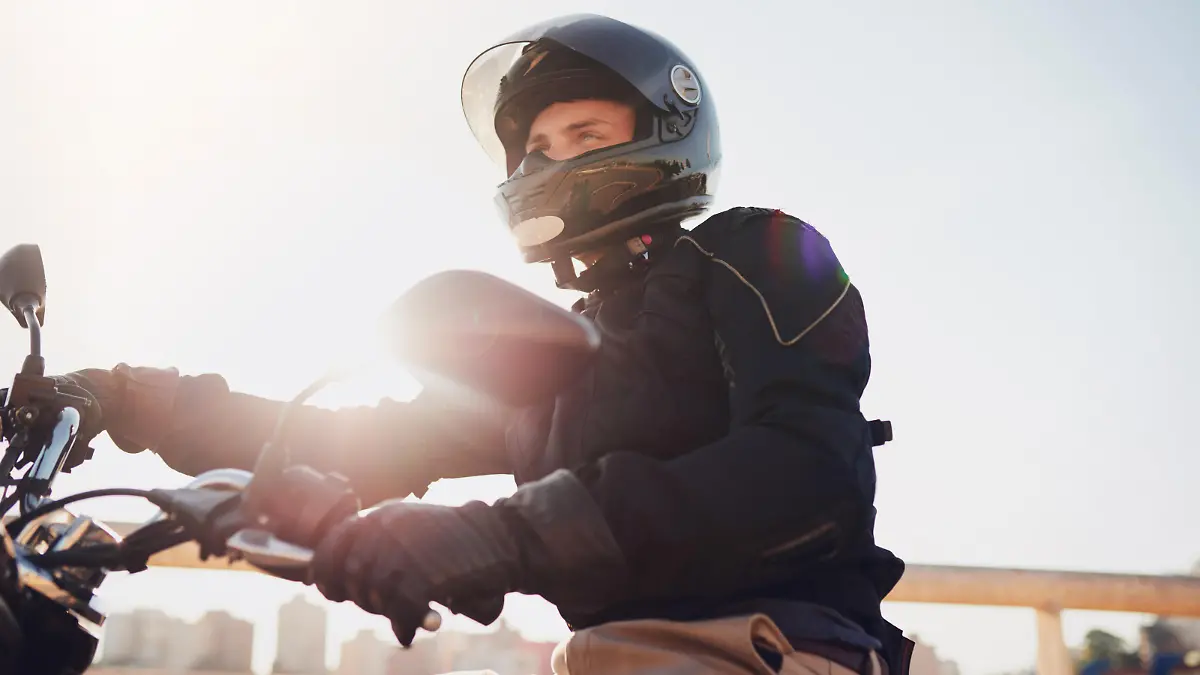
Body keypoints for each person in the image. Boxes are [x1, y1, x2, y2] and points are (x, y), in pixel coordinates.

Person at [51, 14, 912, 675]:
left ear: (664, 133)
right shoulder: (559, 346)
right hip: (610, 653)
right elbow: (364, 437)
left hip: (771, 645)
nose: (549, 162)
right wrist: (133, 397)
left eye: (584, 135)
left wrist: (503, 535)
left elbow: (809, 468)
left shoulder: (752, 248)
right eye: (534, 147)